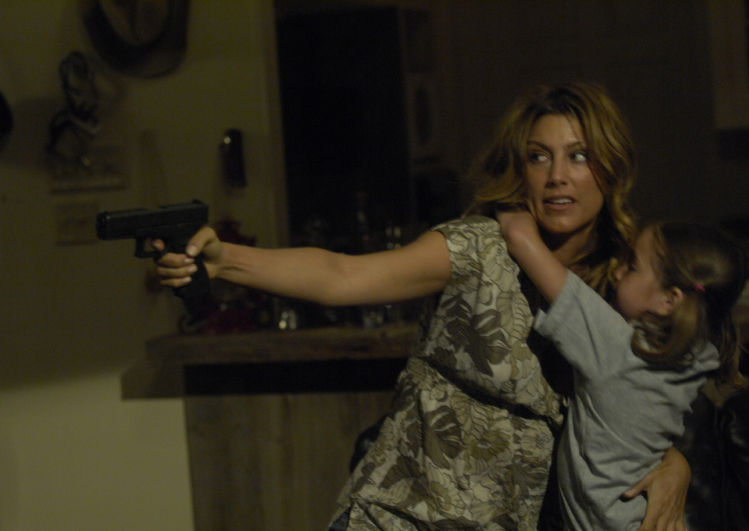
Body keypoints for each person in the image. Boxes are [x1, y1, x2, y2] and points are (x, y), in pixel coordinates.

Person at [155, 81, 692, 530]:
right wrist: (226, 261)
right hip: (402, 516)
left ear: (610, 167)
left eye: (578, 156)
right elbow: (343, 276)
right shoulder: (480, 246)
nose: (556, 176)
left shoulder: (623, 282)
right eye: (538, 156)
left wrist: (675, 460)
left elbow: (655, 390)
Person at [499, 209, 746, 530]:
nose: (616, 273)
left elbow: (518, 235)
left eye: (632, 266)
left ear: (668, 300)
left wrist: (507, 203)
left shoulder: (618, 349)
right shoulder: (692, 358)